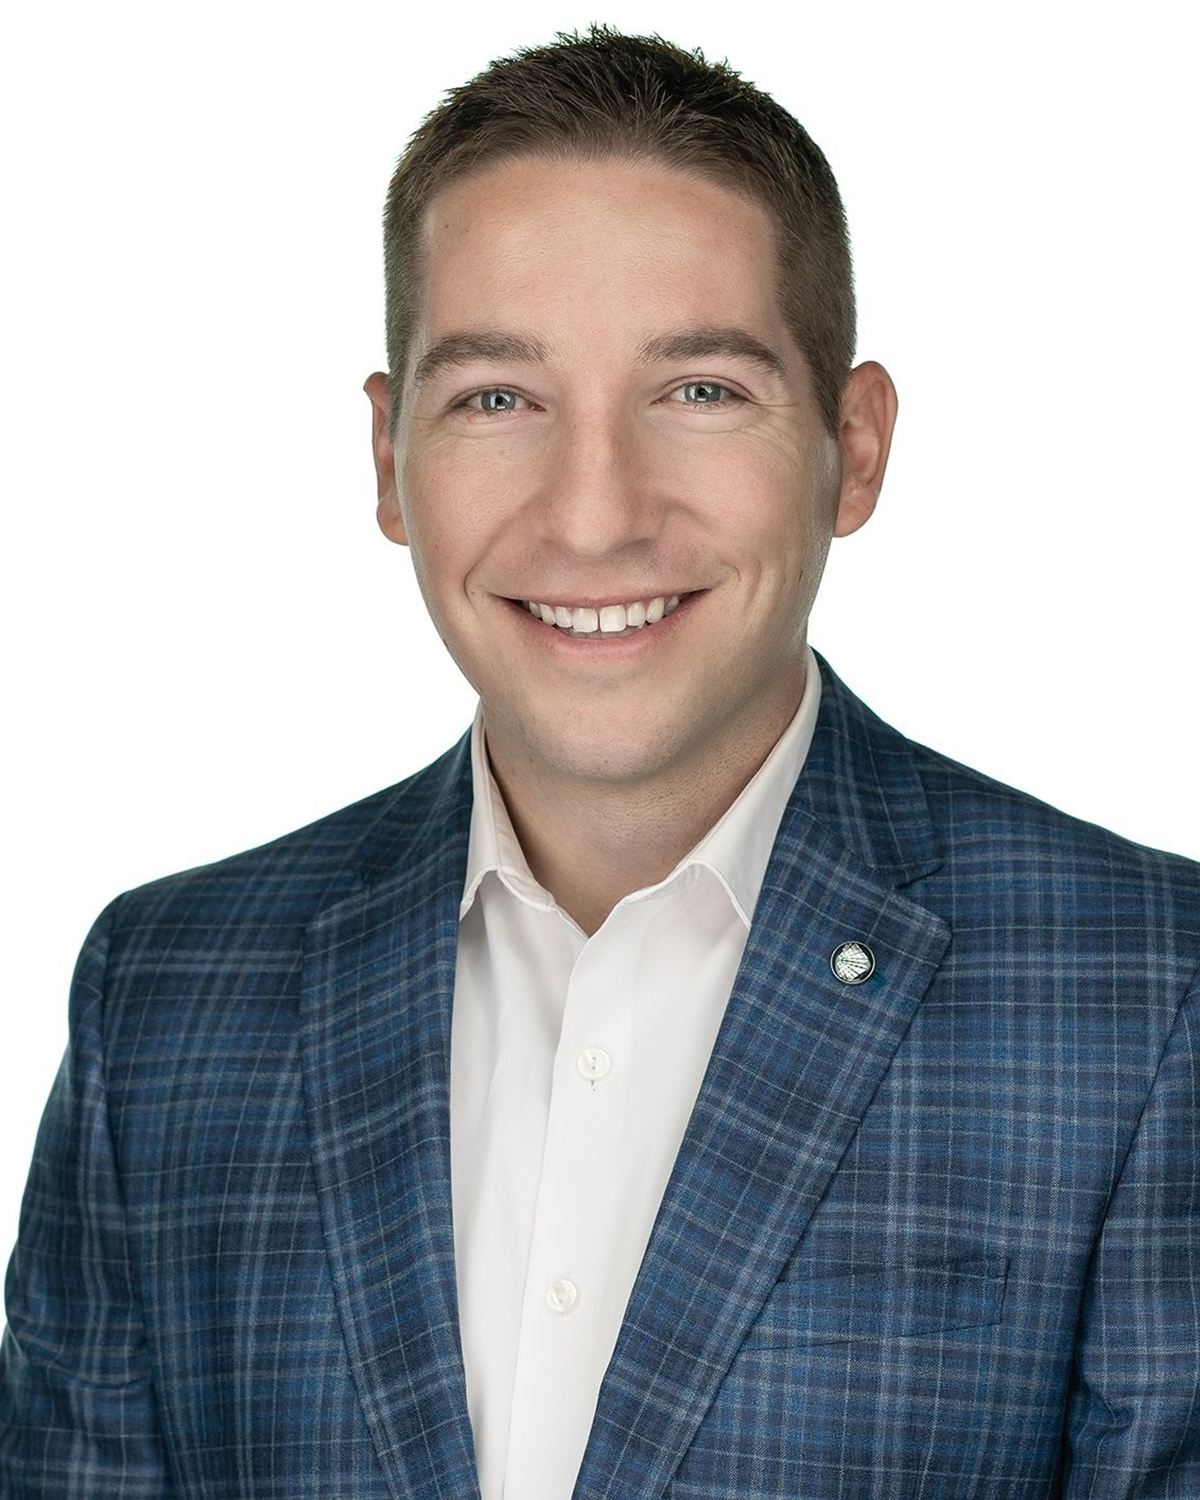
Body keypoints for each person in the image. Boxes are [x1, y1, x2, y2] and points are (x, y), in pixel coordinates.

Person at [1, 21, 1197, 1497]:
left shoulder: (1149, 995)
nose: (593, 512)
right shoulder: (166, 998)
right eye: (498, 398)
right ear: (388, 459)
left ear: (855, 445)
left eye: (699, 390)